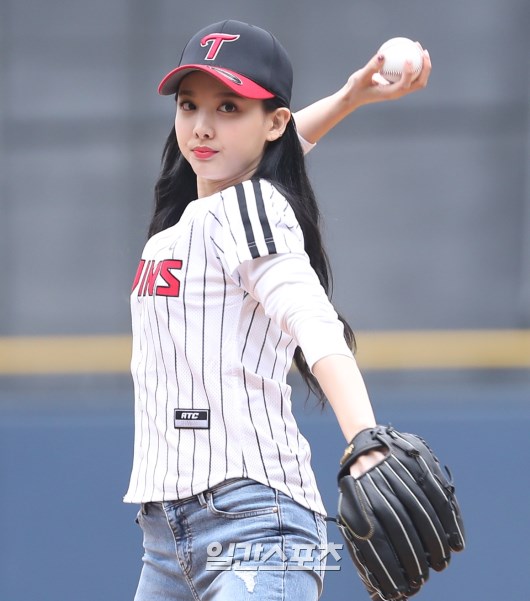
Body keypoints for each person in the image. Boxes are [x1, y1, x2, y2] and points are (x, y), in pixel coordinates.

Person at [124, 19, 431, 601]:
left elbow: (312, 320)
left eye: (229, 107)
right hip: (163, 542)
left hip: (254, 525)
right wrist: (349, 97)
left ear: (275, 121)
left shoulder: (248, 209)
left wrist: (365, 438)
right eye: (189, 105)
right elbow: (275, 148)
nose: (203, 125)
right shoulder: (189, 221)